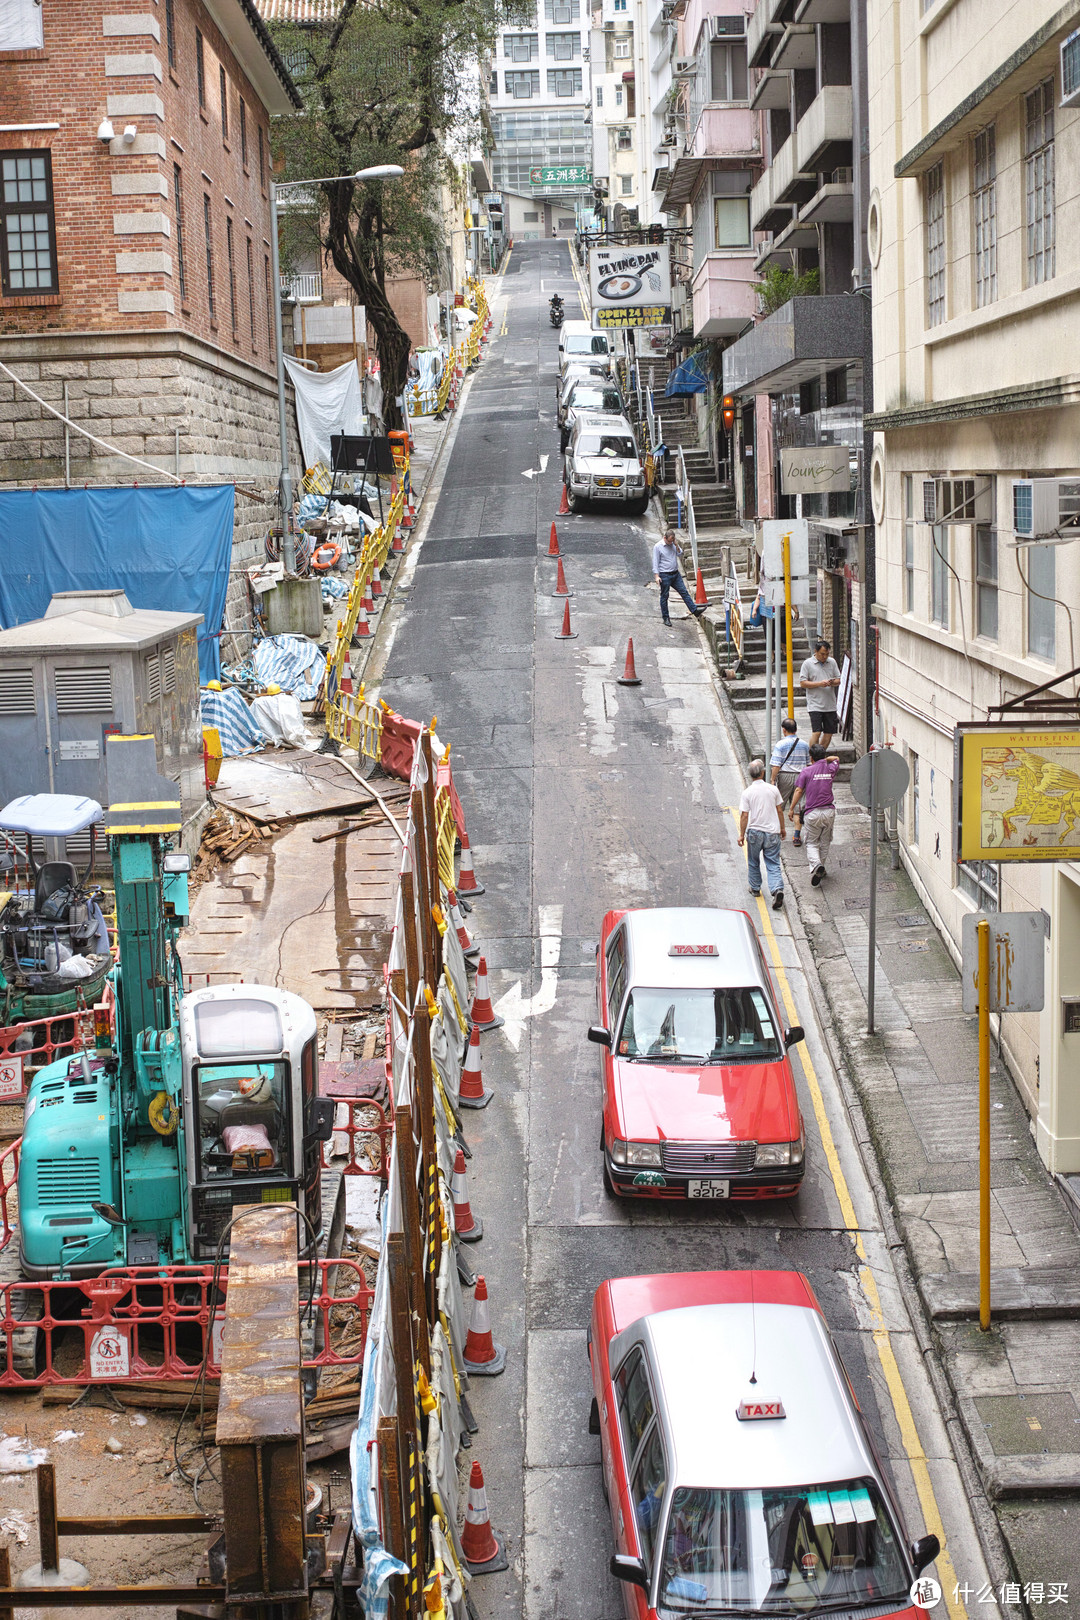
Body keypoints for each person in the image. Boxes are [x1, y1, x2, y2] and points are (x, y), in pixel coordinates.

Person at [788, 744, 841, 886]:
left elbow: (799, 791)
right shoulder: (830, 768)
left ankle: (817, 865)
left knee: (811, 842)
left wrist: (791, 808)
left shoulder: (806, 771)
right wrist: (825, 760)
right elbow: (836, 758)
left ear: (810, 757)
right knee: (824, 842)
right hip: (829, 811)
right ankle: (821, 869)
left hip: (812, 813)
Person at [737, 759, 786, 910]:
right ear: (763, 772)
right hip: (772, 832)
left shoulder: (747, 793)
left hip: (755, 832)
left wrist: (741, 834)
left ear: (750, 775)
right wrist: (782, 828)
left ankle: (755, 888)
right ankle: (777, 889)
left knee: (753, 861)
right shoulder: (773, 790)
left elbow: (744, 815)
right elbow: (779, 810)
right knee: (773, 863)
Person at [770, 717, 811, 848]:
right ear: (796, 729)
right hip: (801, 777)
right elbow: (808, 763)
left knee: (779, 806)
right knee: (799, 808)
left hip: (785, 777)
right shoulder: (804, 744)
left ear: (784, 730)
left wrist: (772, 779)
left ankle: (777, 833)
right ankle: (797, 836)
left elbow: (776, 765)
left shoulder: (780, 745)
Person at [652, 530, 706, 627]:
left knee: (684, 592)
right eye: (669, 541)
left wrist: (676, 545)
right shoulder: (658, 547)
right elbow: (655, 562)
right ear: (665, 538)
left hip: (675, 574)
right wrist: (657, 576)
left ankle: (694, 610)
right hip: (665, 574)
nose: (670, 543)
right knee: (664, 596)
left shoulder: (673, 544)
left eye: (672, 541)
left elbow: (680, 553)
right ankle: (666, 618)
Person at [799, 638, 842, 748]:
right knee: (817, 732)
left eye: (827, 654)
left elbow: (838, 680)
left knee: (829, 734)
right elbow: (803, 683)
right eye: (822, 654)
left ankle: (820, 756)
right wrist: (819, 684)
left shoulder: (832, 662)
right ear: (816, 651)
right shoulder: (807, 664)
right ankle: (812, 756)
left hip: (830, 705)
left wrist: (831, 682)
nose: (824, 657)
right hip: (815, 705)